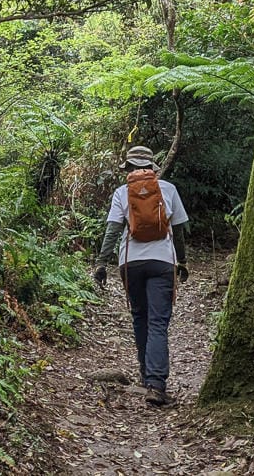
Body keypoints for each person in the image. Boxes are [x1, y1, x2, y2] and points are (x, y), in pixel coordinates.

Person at [93, 144, 189, 406]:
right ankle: (156, 386)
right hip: (162, 262)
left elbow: (113, 230)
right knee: (158, 322)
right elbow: (179, 231)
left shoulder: (122, 192)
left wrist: (101, 263)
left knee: (140, 316)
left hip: (130, 263)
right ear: (152, 167)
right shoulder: (167, 189)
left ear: (129, 168)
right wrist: (182, 261)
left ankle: (146, 375)